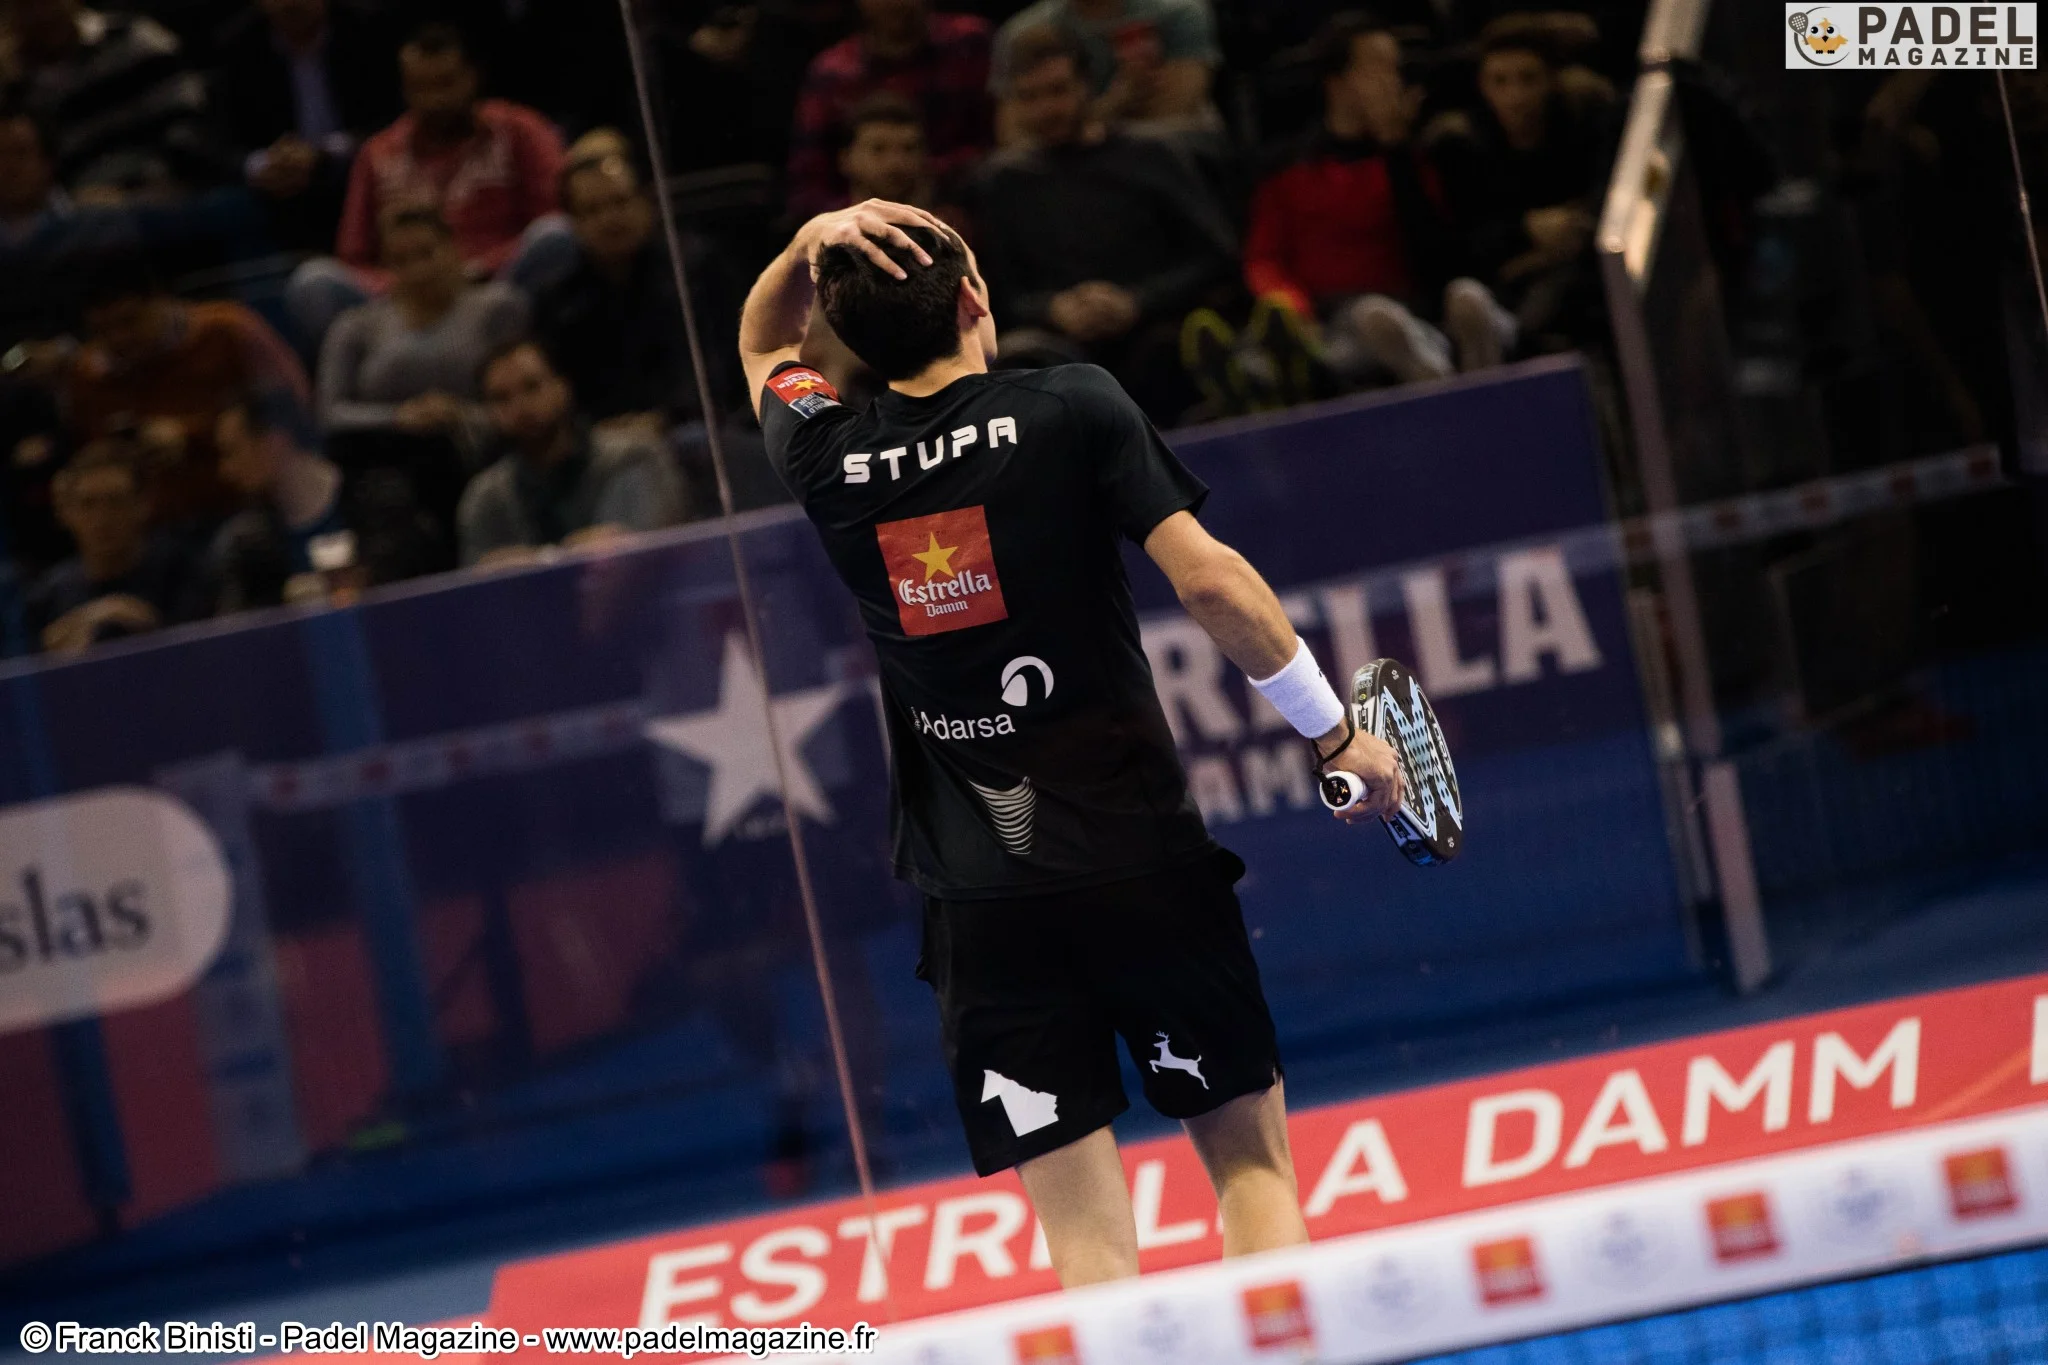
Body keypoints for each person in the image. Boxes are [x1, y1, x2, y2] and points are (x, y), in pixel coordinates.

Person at [737, 200, 1405, 1285]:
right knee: (1251, 1170)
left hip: (980, 903)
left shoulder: (825, 451)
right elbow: (1210, 583)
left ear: (847, 339)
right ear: (972, 300)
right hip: (1139, 863)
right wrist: (1333, 734)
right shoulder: (1071, 405)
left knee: (1086, 1247)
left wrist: (811, 238)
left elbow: (764, 343)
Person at [1216, 11, 1514, 406]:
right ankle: (1443, 396)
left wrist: (1397, 151)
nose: (1393, 80)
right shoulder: (1287, 169)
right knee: (1375, 317)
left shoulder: (1425, 155)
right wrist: (1291, 310)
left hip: (1421, 310)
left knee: (1469, 296)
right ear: (1337, 83)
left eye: (1396, 68)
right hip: (1337, 321)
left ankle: (1490, 401)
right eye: (1378, 68)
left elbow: (1442, 259)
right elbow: (1264, 259)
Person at [973, 26, 1237, 420]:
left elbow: (1217, 255)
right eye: (1029, 97)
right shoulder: (1002, 183)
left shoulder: (1152, 155)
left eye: (1058, 91)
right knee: (1022, 360)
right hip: (1059, 344)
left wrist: (1138, 301)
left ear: (1088, 85)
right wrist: (1053, 309)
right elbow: (998, 293)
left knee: (1170, 350)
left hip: (1157, 326)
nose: (1046, 109)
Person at [283, 22, 571, 350]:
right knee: (314, 282)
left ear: (472, 77)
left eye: (445, 84)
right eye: (420, 88)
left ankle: (526, 360)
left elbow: (556, 211)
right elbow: (354, 255)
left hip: (496, 284)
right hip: (404, 306)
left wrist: (475, 270)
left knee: (557, 235)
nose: (434, 100)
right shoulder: (378, 154)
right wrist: (409, 282)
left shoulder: (519, 130)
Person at [54, 252, 311, 528]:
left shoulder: (228, 331)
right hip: (149, 528)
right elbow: (89, 457)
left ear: (161, 300)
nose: (119, 338)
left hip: (248, 508)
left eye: (129, 321)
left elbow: (292, 411)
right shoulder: (87, 376)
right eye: (102, 330)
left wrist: (188, 435)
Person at [1424, 14, 1618, 350]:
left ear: (1552, 80)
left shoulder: (1584, 121)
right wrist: (1526, 229)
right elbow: (1464, 244)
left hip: (1586, 275)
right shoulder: (1462, 145)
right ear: (1483, 85)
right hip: (1506, 290)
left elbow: (1606, 205)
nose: (1515, 96)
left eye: (1528, 79)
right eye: (1499, 82)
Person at [457, 339, 686, 567]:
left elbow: (641, 550)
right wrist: (560, 556)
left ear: (562, 387)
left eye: (532, 387)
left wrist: (537, 560)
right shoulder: (485, 497)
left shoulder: (633, 458)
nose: (520, 406)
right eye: (501, 398)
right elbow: (479, 577)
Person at [316, 205, 528, 443]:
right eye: (401, 261)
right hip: (382, 452)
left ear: (452, 248)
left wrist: (461, 414)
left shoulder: (498, 308)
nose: (417, 270)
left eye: (426, 253)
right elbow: (330, 413)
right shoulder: (355, 325)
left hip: (481, 449)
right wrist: (397, 416)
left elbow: (526, 399)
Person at [210, 0, 403, 248]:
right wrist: (260, 164)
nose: (291, 3)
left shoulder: (369, 28)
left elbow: (396, 118)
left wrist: (324, 153)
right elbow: (219, 140)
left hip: (359, 167)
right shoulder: (237, 45)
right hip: (276, 188)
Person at [532, 148, 700, 427]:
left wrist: (666, 418)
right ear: (574, 224)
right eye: (592, 210)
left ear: (646, 203)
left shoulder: (693, 270)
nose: (609, 219)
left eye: (620, 202)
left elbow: (721, 372)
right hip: (602, 440)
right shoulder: (558, 301)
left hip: (694, 428)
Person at [785, 0, 991, 219]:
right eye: (879, 150)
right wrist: (853, 218)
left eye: (908, 149)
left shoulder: (969, 44)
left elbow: (995, 142)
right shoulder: (833, 73)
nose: (896, 2)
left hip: (953, 207)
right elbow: (807, 181)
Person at [0, 0, 228, 196]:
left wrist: (152, 182)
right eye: (25, 7)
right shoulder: (19, 87)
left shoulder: (131, 37)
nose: (40, 14)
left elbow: (190, 116)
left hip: (169, 185)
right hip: (77, 211)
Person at [25, 437, 198, 653]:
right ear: (66, 512)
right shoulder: (49, 597)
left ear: (143, 504)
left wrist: (145, 624)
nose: (102, 519)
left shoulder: (179, 572)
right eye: (88, 504)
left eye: (115, 502)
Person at [202, 394, 345, 614]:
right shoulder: (245, 543)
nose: (225, 471)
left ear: (274, 442)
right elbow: (239, 628)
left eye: (232, 451)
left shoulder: (368, 499)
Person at [992, 0, 1218, 135]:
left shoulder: (1178, 14)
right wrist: (1116, 102)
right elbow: (1015, 137)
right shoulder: (1022, 34)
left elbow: (1172, 117)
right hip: (1059, 178)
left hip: (1170, 167)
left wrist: (1072, 125)